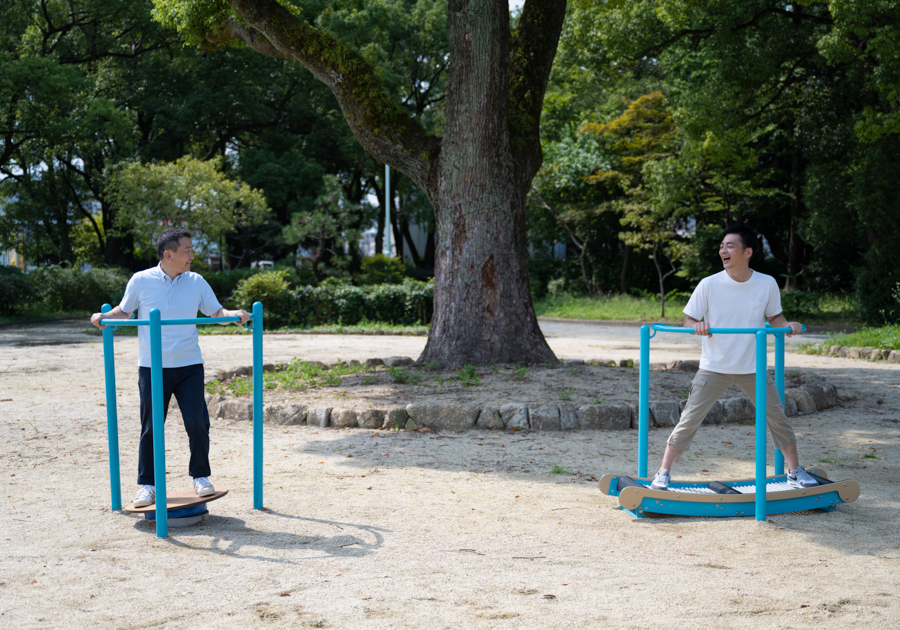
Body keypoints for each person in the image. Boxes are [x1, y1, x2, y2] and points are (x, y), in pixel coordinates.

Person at [650, 225, 818, 491]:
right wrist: (697, 325)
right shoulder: (709, 284)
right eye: (721, 246)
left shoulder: (766, 283)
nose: (723, 250)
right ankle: (662, 472)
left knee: (777, 417)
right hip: (714, 366)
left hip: (753, 367)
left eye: (730, 246)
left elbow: (774, 317)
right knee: (690, 418)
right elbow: (688, 319)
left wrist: (789, 325)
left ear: (747, 252)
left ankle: (795, 471)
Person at [91, 229, 250, 507]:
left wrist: (234, 315)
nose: (192, 255)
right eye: (187, 250)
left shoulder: (196, 281)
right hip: (152, 367)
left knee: (198, 422)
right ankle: (147, 486)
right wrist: (103, 316)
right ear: (169, 254)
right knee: (151, 427)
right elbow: (124, 312)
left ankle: (200, 477)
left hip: (189, 365)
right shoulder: (141, 280)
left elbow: (216, 313)